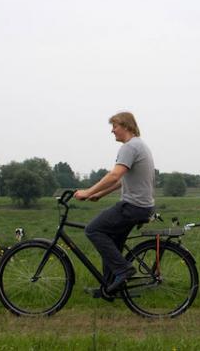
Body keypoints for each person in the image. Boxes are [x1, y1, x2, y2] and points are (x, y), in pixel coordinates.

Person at [74, 111, 155, 294]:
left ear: (126, 126)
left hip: (132, 206)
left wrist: (88, 191)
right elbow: (121, 181)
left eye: (115, 126)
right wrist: (100, 194)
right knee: (111, 240)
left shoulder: (129, 147)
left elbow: (115, 175)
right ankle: (110, 287)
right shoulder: (139, 145)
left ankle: (123, 270)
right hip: (142, 206)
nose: (112, 131)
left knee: (93, 229)